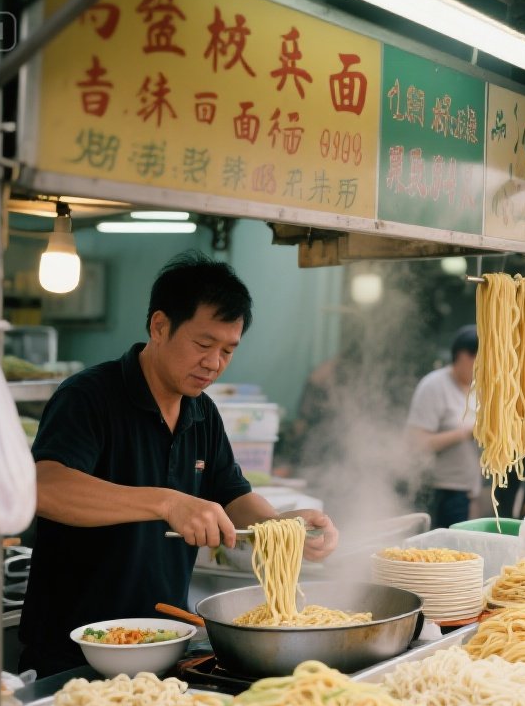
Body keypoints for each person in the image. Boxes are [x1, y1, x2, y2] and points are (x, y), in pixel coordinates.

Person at [20, 252, 338, 677]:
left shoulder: (202, 412)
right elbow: (45, 487)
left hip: (163, 644)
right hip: (76, 653)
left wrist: (282, 526)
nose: (214, 363)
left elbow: (233, 495)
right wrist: (167, 502)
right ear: (159, 326)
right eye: (203, 345)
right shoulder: (88, 397)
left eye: (228, 350)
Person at [405, 325, 482, 529]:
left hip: (466, 492)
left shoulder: (478, 390)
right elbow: (416, 442)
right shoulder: (434, 386)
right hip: (437, 492)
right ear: (461, 355)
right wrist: (467, 432)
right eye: (477, 358)